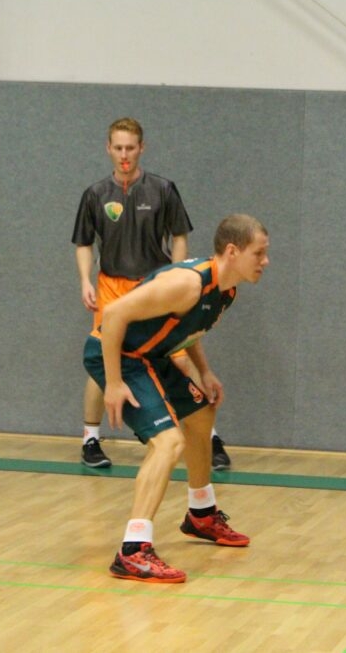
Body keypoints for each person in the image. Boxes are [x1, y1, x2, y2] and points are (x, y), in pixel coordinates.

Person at [83, 214, 269, 583]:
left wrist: (205, 371)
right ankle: (133, 550)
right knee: (168, 442)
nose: (265, 261)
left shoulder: (226, 289)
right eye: (259, 253)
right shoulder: (187, 283)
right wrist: (114, 383)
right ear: (233, 252)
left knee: (201, 414)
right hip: (120, 356)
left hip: (152, 356)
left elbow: (189, 327)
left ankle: (201, 514)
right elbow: (114, 314)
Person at [72, 117, 232, 471]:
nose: (124, 154)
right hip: (112, 286)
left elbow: (179, 235)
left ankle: (208, 436)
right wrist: (85, 280)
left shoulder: (162, 189)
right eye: (118, 148)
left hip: (153, 285)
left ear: (141, 148)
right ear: (108, 149)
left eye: (130, 148)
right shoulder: (95, 194)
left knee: (179, 356)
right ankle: (90, 439)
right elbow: (83, 243)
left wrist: (177, 274)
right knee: (105, 356)